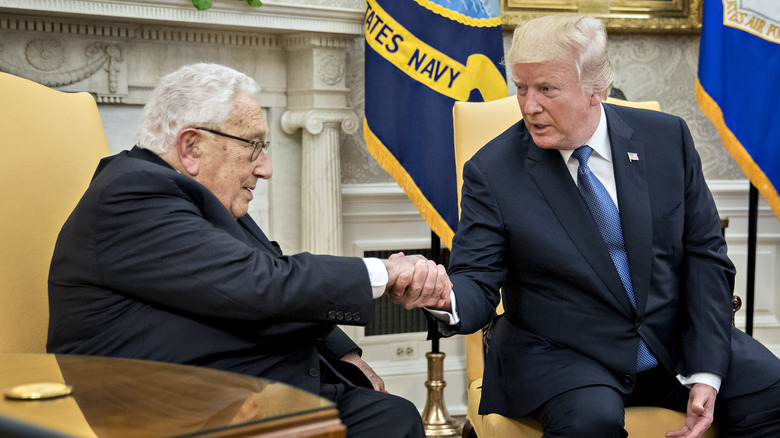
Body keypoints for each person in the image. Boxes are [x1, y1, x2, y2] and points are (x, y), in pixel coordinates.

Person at [47, 63, 451, 438]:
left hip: (249, 394)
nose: (266, 167)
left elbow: (271, 272)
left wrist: (343, 353)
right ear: (191, 147)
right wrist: (385, 272)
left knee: (392, 418)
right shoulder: (131, 195)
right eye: (253, 146)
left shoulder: (200, 197)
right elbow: (261, 283)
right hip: (181, 413)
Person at [424, 14, 780, 438]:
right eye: (521, 88)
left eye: (547, 89)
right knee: (591, 422)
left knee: (771, 391)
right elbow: (476, 282)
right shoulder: (493, 171)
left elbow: (705, 256)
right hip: (564, 355)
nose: (529, 105)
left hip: (671, 341)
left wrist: (706, 368)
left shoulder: (668, 140)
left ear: (598, 89)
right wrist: (442, 295)